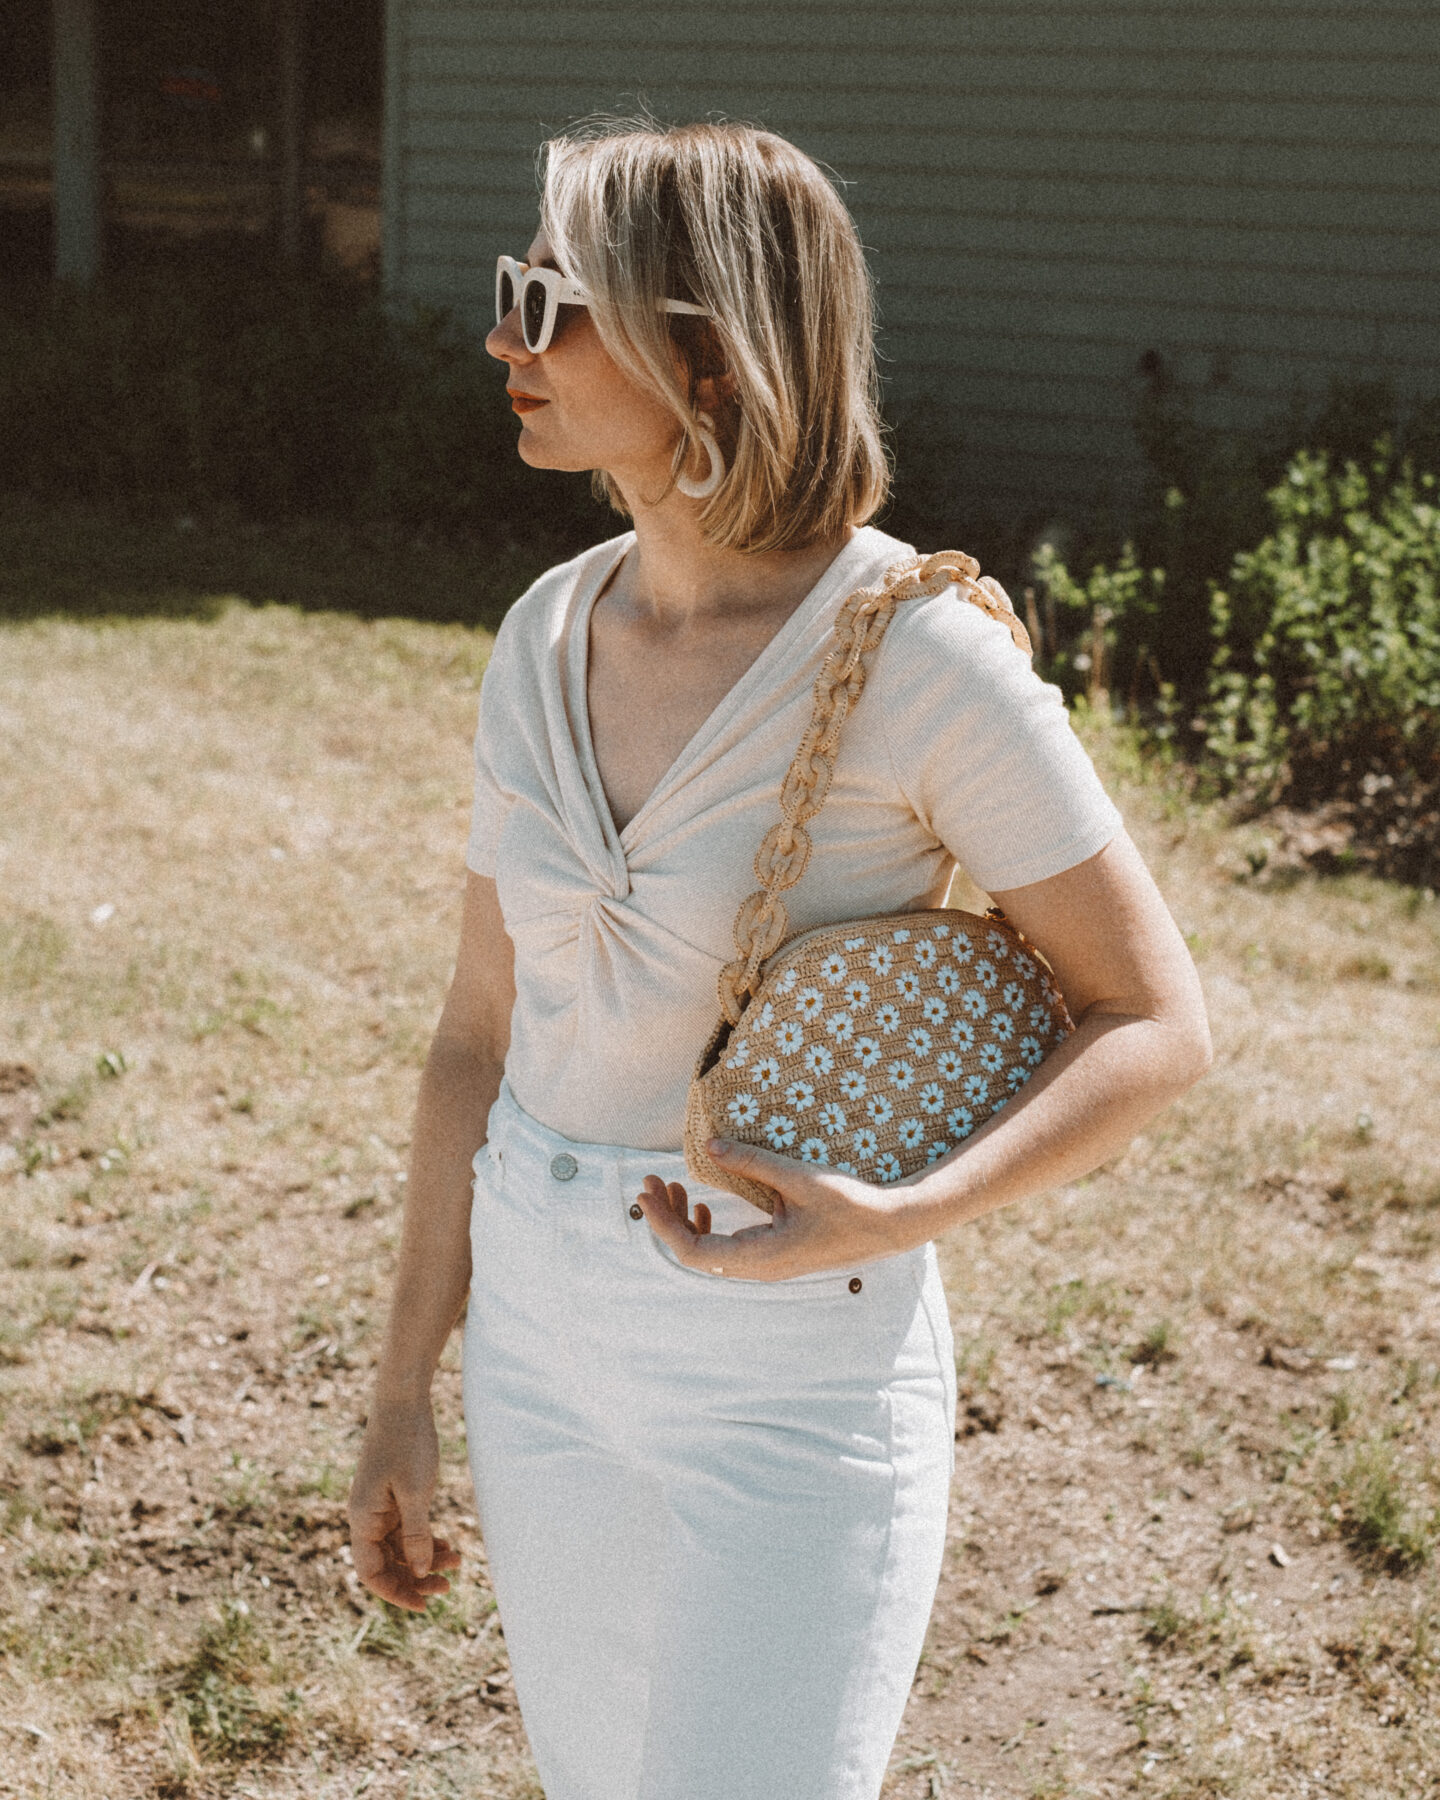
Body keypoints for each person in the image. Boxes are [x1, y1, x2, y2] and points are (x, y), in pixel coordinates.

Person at [347, 119, 1212, 1800]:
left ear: (709, 350)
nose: (501, 336)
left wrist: (912, 1216)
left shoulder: (922, 659)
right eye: (511, 292)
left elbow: (1155, 1020)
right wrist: (403, 1388)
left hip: (794, 1374)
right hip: (537, 1335)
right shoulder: (541, 632)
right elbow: (476, 1032)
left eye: (550, 300)